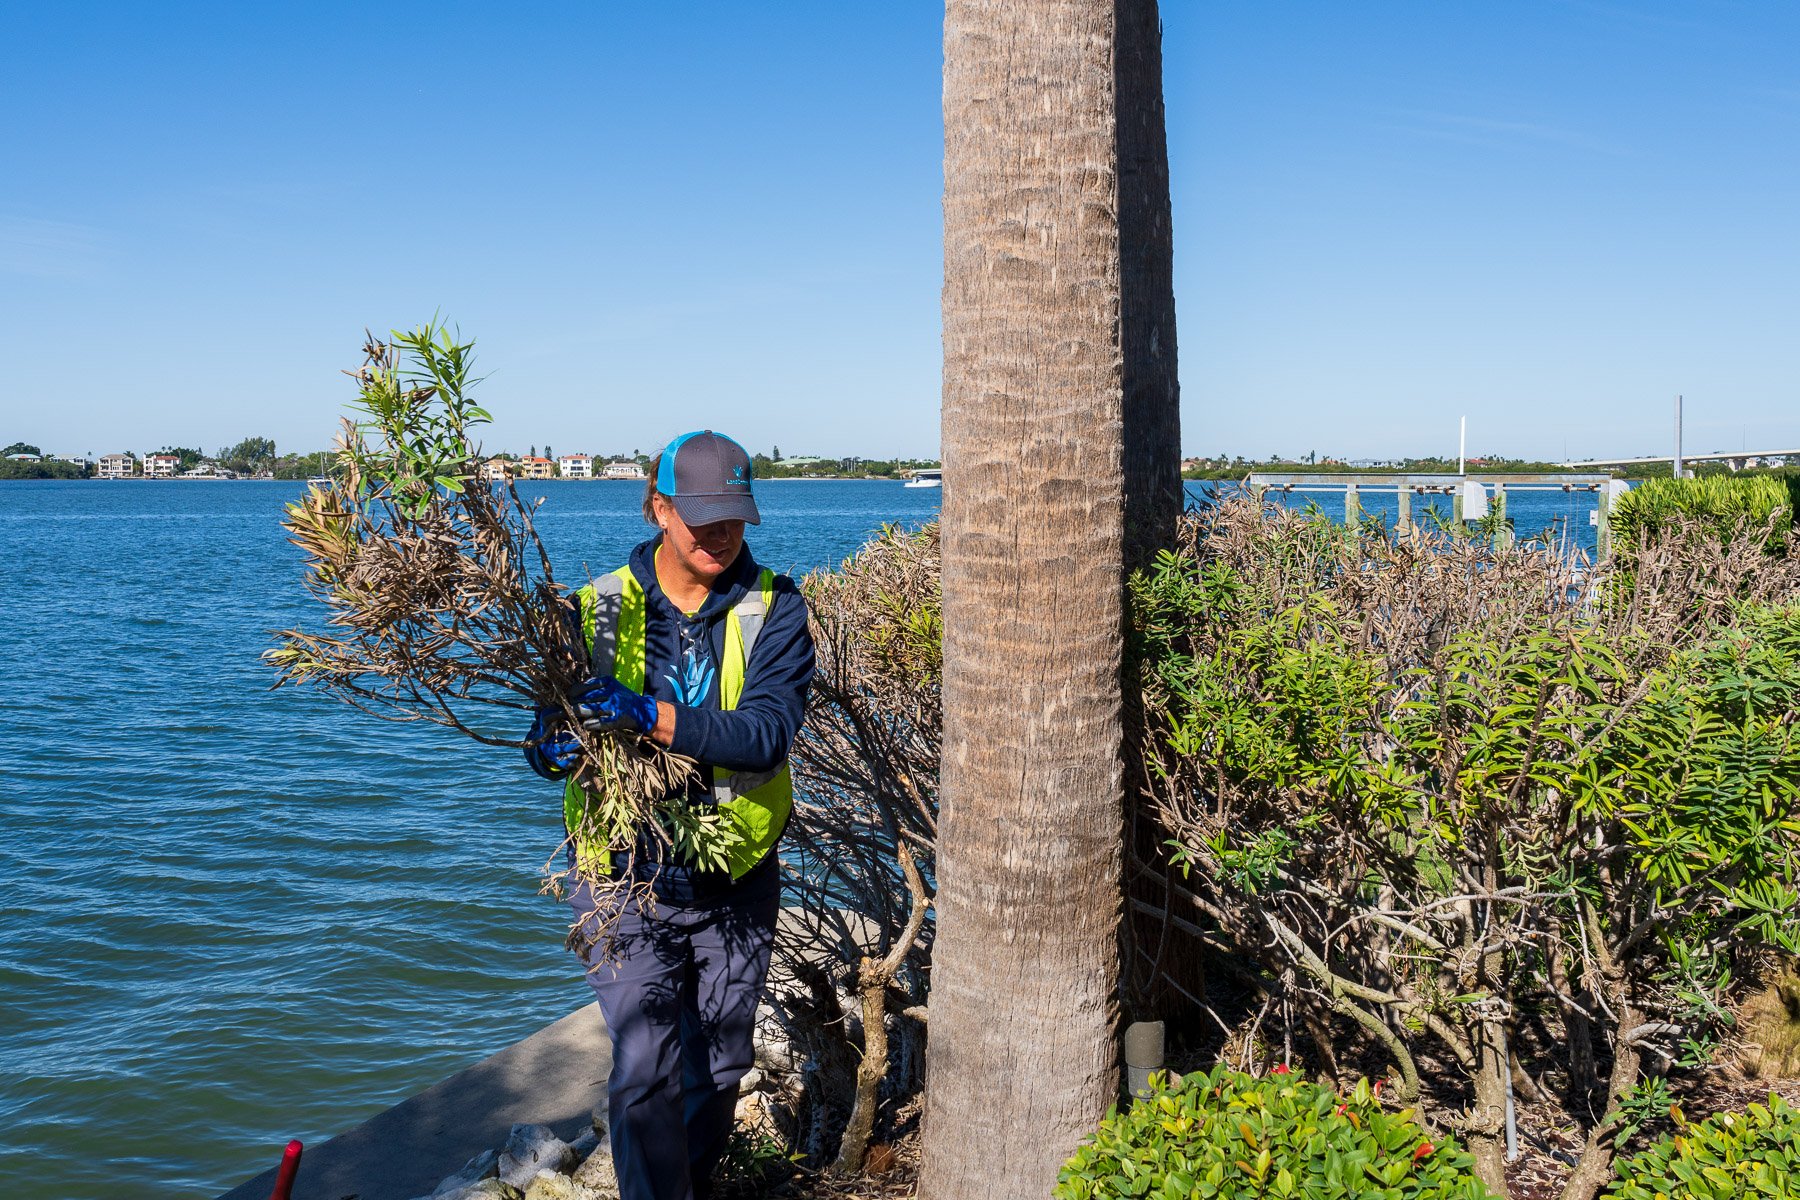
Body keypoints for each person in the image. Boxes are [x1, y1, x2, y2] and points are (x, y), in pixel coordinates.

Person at [522, 430, 815, 1200]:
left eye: (734, 517)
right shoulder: (590, 608)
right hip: (620, 877)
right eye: (703, 518)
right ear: (659, 508)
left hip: (735, 876)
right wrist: (549, 746)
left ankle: (680, 1183)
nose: (722, 534)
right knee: (645, 1060)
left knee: (718, 1068)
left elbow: (765, 736)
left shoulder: (776, 609)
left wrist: (646, 715)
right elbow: (545, 730)